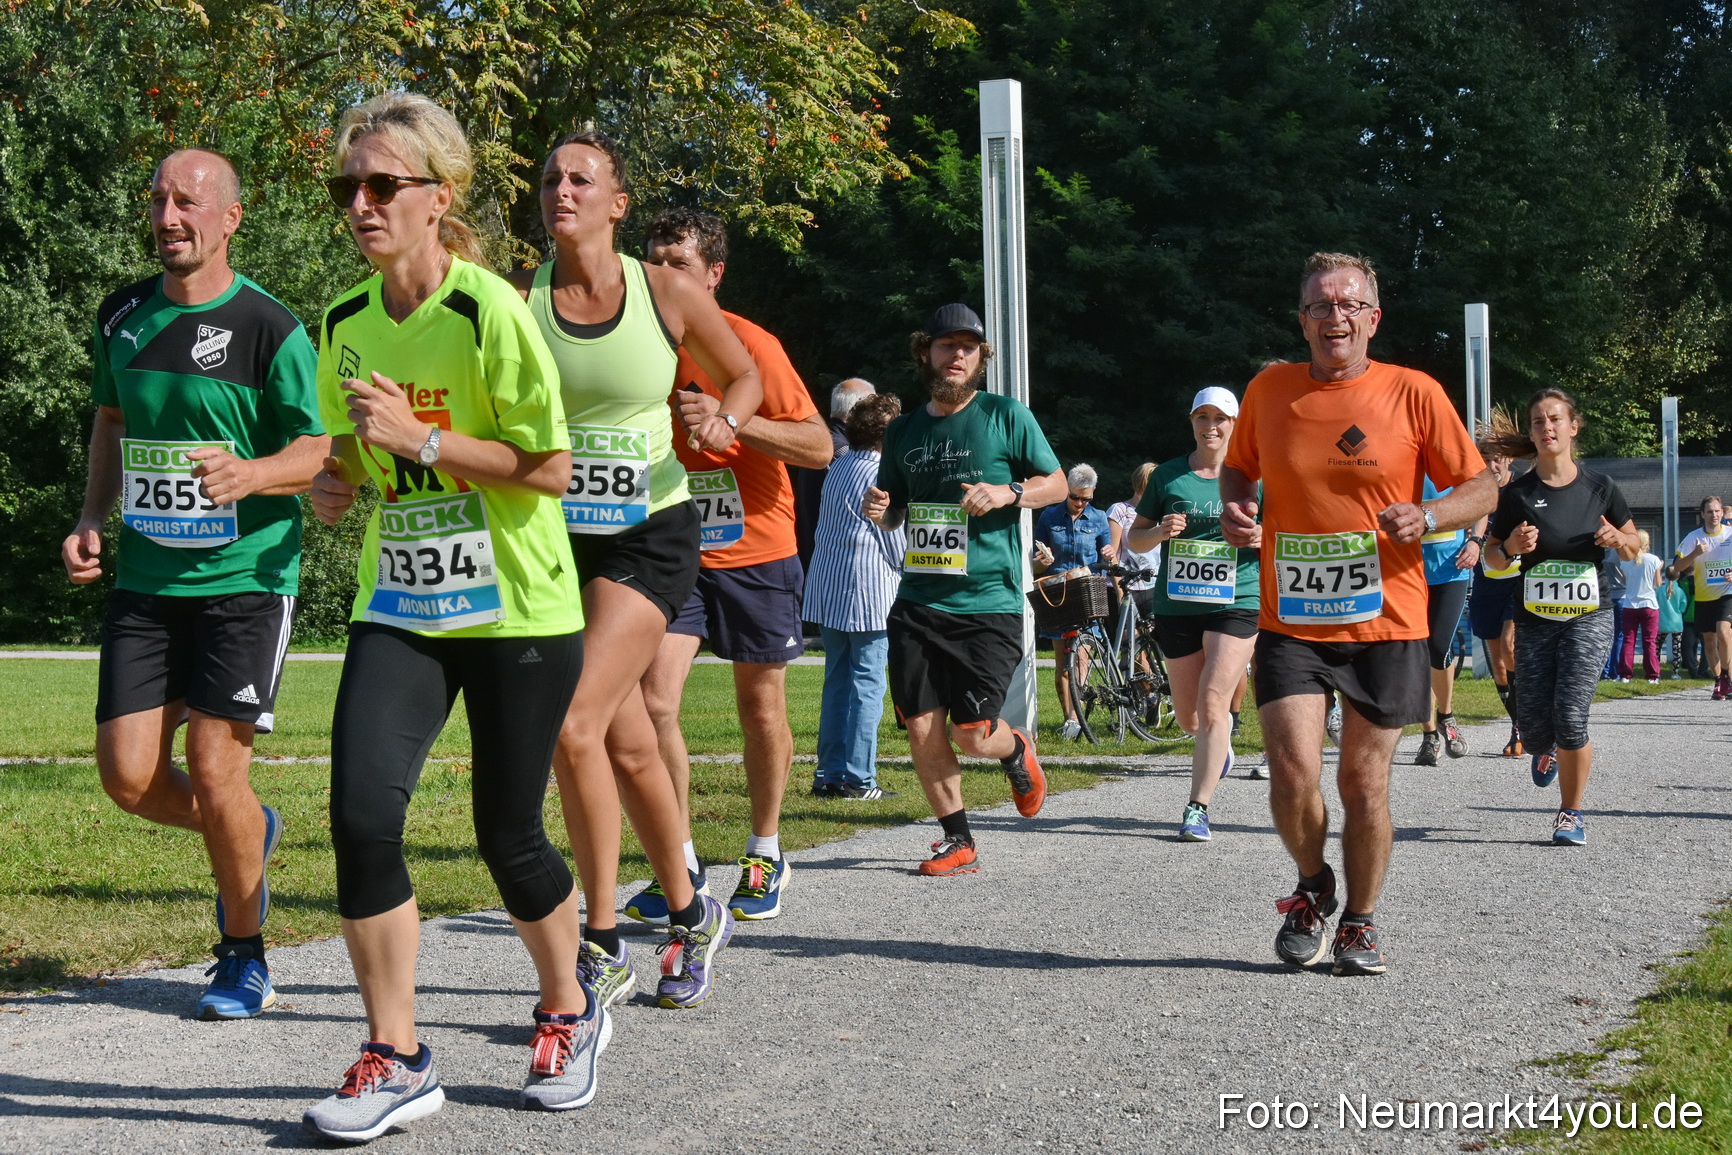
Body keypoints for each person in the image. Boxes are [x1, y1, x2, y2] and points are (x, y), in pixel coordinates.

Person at [301, 94, 599, 1138]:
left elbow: (551, 468)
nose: (361, 204)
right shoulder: (342, 322)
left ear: (439, 195)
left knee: (508, 833)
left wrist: (422, 442)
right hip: (404, 603)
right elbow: (351, 453)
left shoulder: (489, 312)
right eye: (348, 187)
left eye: (382, 185)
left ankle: (568, 1006)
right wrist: (334, 481)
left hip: (518, 605)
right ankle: (396, 1053)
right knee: (360, 815)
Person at [61, 149, 326, 1020]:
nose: (168, 217)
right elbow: (111, 419)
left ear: (230, 218)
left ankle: (244, 955)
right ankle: (248, 825)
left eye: (188, 202)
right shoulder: (123, 316)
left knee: (215, 770)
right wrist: (92, 516)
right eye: (158, 200)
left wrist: (252, 473)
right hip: (147, 581)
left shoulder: (270, 327)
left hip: (245, 578)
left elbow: (317, 449)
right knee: (129, 778)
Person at [511, 131, 759, 1011]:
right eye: (551, 178)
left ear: (617, 203)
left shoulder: (665, 290)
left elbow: (743, 375)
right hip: (554, 541)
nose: (562, 190)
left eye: (582, 179)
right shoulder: (517, 296)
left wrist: (725, 419)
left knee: (573, 721)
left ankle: (602, 935)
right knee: (624, 740)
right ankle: (692, 911)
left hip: (649, 533)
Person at [1220, 252, 1495, 976]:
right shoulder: (1269, 389)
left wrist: (1430, 515)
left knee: (1363, 784)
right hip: (1292, 620)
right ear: (1302, 319)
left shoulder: (1414, 392)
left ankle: (1361, 923)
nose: (1334, 316)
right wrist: (1237, 506)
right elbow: (1238, 466)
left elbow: (1481, 488)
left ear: (1373, 318)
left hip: (1387, 623)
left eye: (1348, 305)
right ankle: (1314, 886)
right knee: (1291, 773)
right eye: (1320, 305)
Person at [634, 209, 833, 924]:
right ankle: (679, 861)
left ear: (714, 275)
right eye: (654, 263)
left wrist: (733, 418)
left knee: (760, 706)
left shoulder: (751, 345)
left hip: (757, 549)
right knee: (653, 701)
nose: (664, 278)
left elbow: (819, 447)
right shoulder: (635, 345)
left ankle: (766, 849)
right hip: (673, 547)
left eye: (679, 265)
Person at [863, 303, 1065, 875]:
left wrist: (1008, 493)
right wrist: (881, 510)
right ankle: (958, 840)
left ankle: (1016, 746)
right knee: (922, 727)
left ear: (981, 358)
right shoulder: (903, 430)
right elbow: (895, 509)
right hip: (918, 601)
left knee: (973, 733)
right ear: (925, 351)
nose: (957, 356)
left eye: (968, 348)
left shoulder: (1005, 415)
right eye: (946, 345)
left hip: (988, 602)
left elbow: (1055, 483)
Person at [1481, 387, 1639, 845]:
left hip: (1589, 615)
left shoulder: (1600, 487)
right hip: (1534, 620)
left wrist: (1619, 540)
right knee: (1534, 728)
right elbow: (1491, 559)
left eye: (1554, 419)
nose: (1546, 427)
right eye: (1538, 421)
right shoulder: (1517, 494)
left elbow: (1634, 546)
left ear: (1573, 426)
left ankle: (1571, 813)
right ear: (1531, 433)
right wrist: (1510, 548)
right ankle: (1543, 747)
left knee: (1570, 716)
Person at [1127, 387, 1260, 842]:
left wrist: (1261, 535)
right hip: (1178, 605)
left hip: (1237, 602)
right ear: (1192, 423)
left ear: (1235, 424)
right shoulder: (1167, 476)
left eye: (1220, 418)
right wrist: (1159, 532)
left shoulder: (1256, 476)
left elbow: (1286, 530)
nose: (1211, 426)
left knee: (1213, 701)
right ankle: (1216, 749)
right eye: (1202, 417)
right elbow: (1135, 538)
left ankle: (1197, 808)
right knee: (1190, 719)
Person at [803, 390, 906, 798]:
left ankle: (828, 774)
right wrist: (910, 564)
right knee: (867, 685)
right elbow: (892, 539)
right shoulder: (882, 473)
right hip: (868, 590)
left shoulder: (840, 463)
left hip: (829, 586)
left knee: (838, 684)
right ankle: (859, 778)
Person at [1032, 464, 1115, 739]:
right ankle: (1069, 719)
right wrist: (1041, 561)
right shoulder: (1049, 516)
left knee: (1080, 658)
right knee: (1062, 663)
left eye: (1085, 498)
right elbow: (1034, 563)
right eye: (1075, 497)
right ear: (1067, 491)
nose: (1080, 503)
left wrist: (1109, 554)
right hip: (1057, 593)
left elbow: (1107, 558)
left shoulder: (1099, 518)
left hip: (1086, 592)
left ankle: (1075, 718)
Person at [1413, 477, 1480, 765]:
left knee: (1439, 647)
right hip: (1408, 573)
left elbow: (1482, 501)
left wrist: (1475, 541)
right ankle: (1429, 736)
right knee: (1417, 653)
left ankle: (1446, 715)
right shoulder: (1398, 462)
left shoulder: (1450, 464)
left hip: (1451, 570)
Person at [1467, 444, 1523, 756]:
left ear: (1509, 459)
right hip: (1486, 582)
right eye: (1485, 459)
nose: (1491, 466)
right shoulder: (1474, 491)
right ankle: (1518, 724)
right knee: (1498, 664)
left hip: (1519, 581)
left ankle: (1525, 723)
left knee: (1509, 646)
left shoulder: (1523, 489)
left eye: (1497, 459)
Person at [1667, 496, 1732, 699]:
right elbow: (1675, 568)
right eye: (1710, 512)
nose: (1714, 515)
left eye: (1717, 511)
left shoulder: (1730, 534)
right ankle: (1718, 681)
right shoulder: (1693, 537)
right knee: (1709, 640)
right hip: (1704, 596)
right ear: (1703, 514)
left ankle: (1727, 677)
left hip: (1727, 592)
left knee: (1724, 632)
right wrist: (1695, 553)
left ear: (1722, 513)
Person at [1616, 531, 1663, 683]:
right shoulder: (1653, 559)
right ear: (1646, 543)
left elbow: (1626, 581)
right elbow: (1657, 584)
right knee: (1649, 641)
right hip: (1649, 604)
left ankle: (1625, 675)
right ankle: (1652, 675)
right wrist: (1659, 569)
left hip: (1630, 604)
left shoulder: (1626, 561)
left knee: (1628, 640)